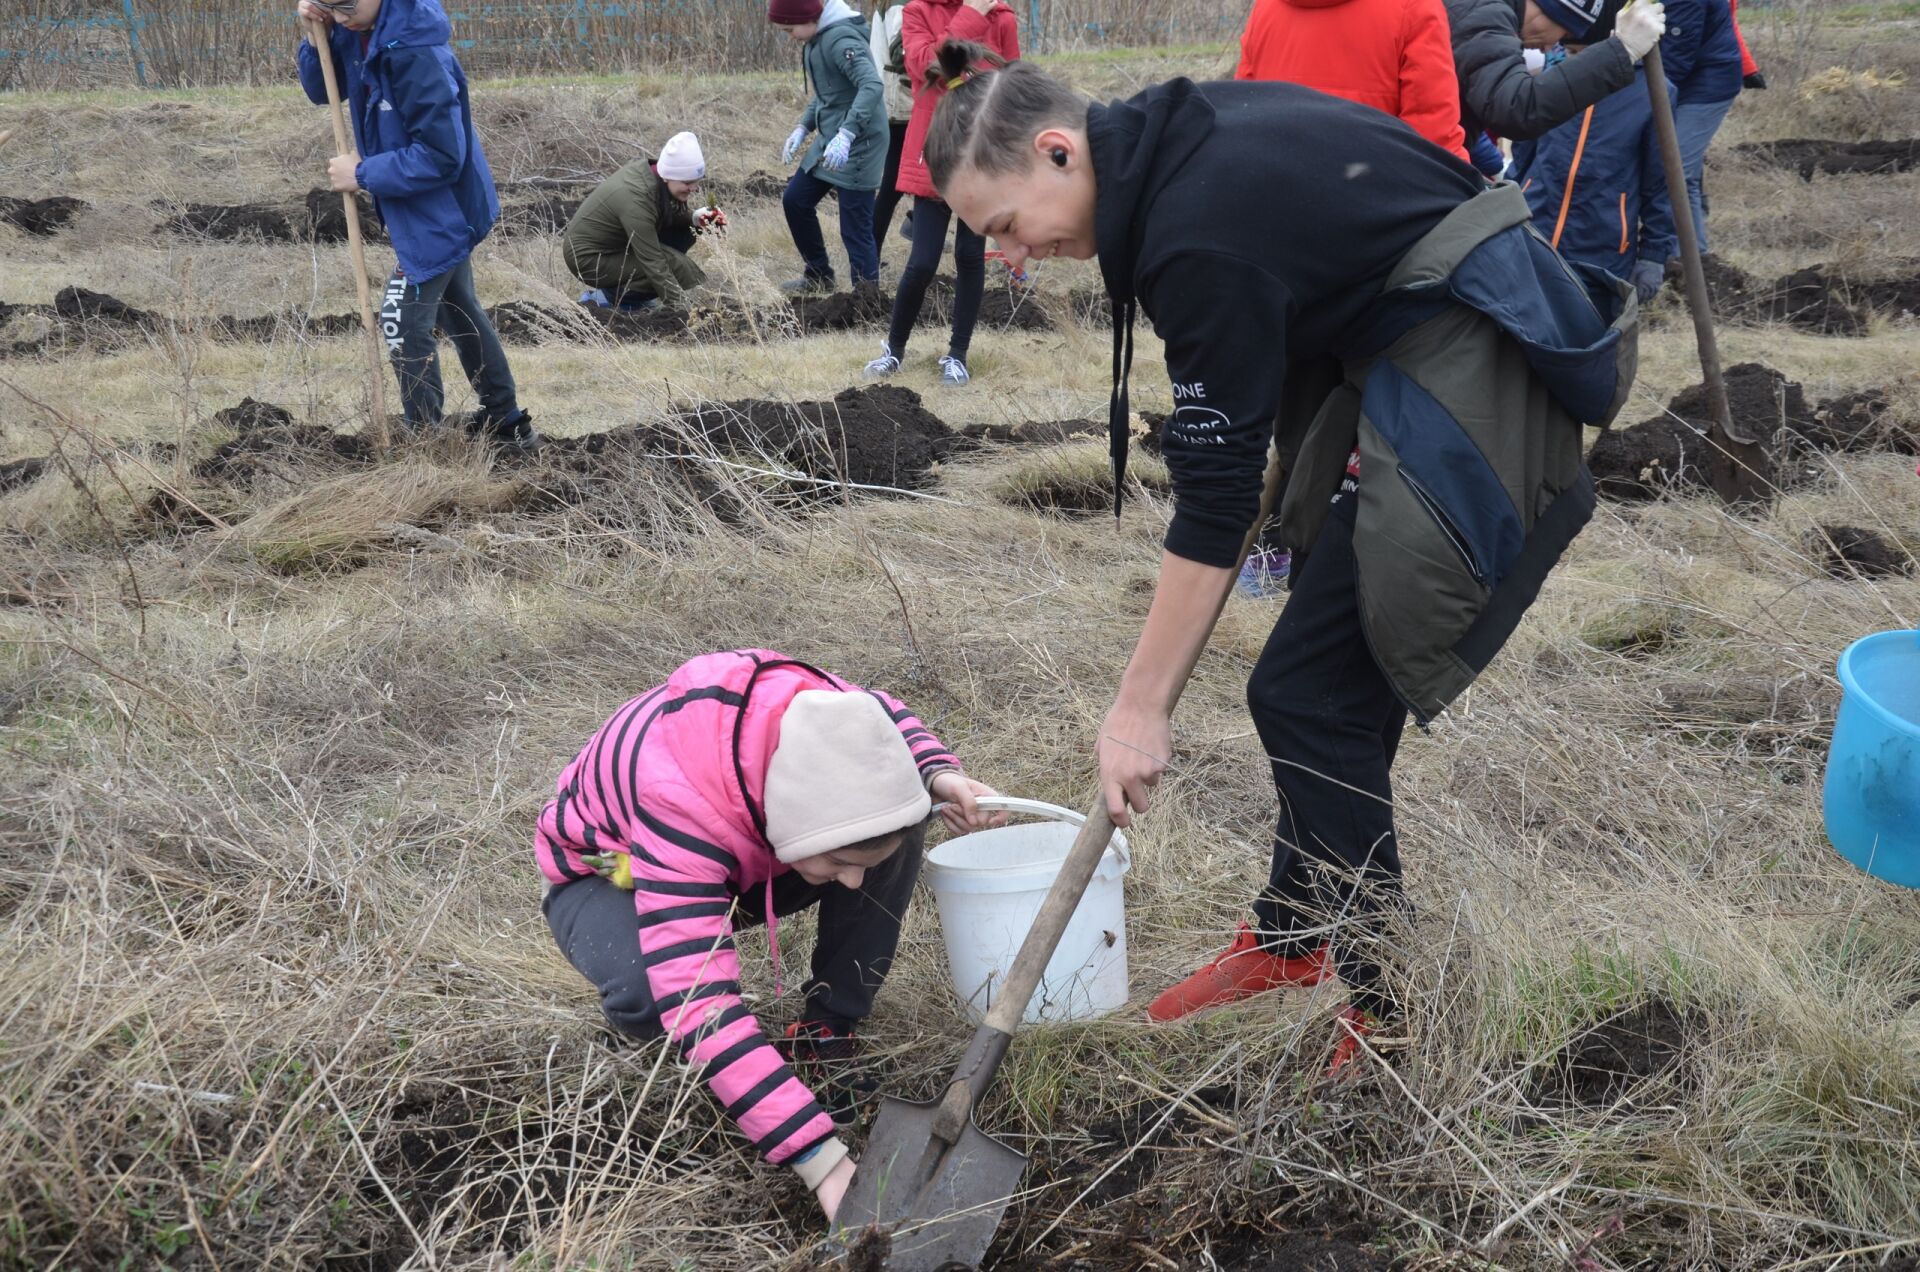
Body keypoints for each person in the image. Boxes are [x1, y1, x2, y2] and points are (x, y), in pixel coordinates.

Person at [922, 42, 1636, 1073]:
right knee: (1320, 679)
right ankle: (1296, 939)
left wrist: (1138, 708)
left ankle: (1391, 1008)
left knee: (1310, 698)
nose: (1015, 258)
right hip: (1404, 347)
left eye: (1005, 227)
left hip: (1478, 353)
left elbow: (1214, 501)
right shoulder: (1172, 145)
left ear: (1056, 151)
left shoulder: (1191, 231)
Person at [537, 650, 1003, 1222]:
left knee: (892, 833)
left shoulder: (817, 707)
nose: (855, 883)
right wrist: (823, 1163)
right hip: (613, 879)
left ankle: (825, 1027)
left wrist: (937, 773)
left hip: (749, 848)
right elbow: (697, 1001)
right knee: (653, 995)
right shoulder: (681, 802)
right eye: (838, 859)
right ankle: (723, 1076)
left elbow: (887, 714)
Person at [296, 0, 536, 451]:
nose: (342, 13)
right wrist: (315, 34)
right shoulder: (357, 26)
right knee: (458, 306)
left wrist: (362, 172)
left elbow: (444, 155)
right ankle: (507, 422)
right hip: (419, 208)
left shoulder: (415, 53)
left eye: (347, 4)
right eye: (332, 3)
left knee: (400, 316)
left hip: (444, 210)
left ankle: (426, 444)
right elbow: (321, 89)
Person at [863, 0, 1020, 387]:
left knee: (970, 255)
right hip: (935, 153)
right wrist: (970, 17)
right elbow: (924, 66)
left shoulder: (1002, 18)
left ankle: (957, 355)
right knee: (921, 262)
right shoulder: (917, 12)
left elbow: (1012, 83)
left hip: (983, 156)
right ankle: (893, 351)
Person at [1511, 18, 1678, 304]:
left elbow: (1660, 179)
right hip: (1533, 233)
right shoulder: (1551, 77)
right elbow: (1523, 152)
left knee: (1590, 333)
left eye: (1581, 52)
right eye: (1571, 52)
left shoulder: (1652, 92)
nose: (1575, 61)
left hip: (1603, 250)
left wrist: (1653, 254)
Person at [1235, 0, 1470, 163]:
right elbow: (1434, 139)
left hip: (1279, 199)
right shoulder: (1415, 7)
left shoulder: (1264, 9)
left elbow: (1244, 116)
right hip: (1382, 208)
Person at [771, 0, 890, 295]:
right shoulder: (817, 38)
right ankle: (819, 275)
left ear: (810, 17)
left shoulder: (840, 40)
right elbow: (830, 94)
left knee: (855, 227)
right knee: (796, 200)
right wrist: (803, 127)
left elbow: (872, 85)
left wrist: (847, 134)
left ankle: (867, 298)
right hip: (832, 138)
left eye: (790, 29)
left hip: (859, 142)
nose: (790, 36)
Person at [1444, 0, 1667, 152]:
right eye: (1566, 33)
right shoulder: (1483, 14)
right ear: (1548, 7)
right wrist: (1622, 50)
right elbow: (1515, 108)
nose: (1550, 48)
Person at [561, 131, 725, 313]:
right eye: (687, 182)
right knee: (671, 263)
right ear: (668, 175)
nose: (693, 188)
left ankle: (627, 295)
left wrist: (695, 218)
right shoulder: (635, 198)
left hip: (617, 245)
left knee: (688, 229)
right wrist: (681, 310)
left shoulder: (655, 176)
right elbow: (653, 260)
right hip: (589, 259)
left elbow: (663, 213)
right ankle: (604, 300)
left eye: (696, 181)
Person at [1658, 0, 1742, 253]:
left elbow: (1676, 55)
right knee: (1684, 173)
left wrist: (1640, 95)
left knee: (1675, 172)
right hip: (1688, 78)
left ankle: (1690, 260)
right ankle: (1692, 252)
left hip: (1708, 83)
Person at [871, 4, 917, 255]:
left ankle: (870, 252)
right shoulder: (901, 6)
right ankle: (916, 223)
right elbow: (903, 54)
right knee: (894, 184)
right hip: (904, 104)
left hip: (901, 102)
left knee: (893, 184)